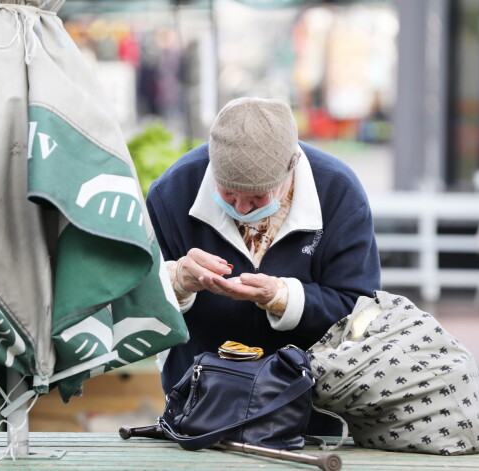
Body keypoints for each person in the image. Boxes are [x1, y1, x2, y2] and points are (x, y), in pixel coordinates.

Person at [146, 97, 381, 434]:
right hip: (201, 407)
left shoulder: (339, 193)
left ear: (293, 166)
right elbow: (135, 297)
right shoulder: (173, 192)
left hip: (315, 406)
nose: (242, 207)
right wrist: (177, 279)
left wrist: (283, 297)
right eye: (228, 194)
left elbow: (361, 311)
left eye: (257, 198)